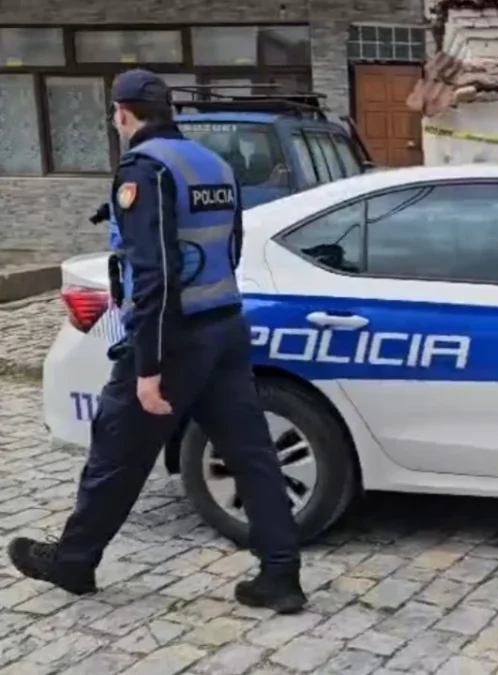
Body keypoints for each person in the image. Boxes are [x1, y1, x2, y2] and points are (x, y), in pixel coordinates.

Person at [7, 69, 306, 614]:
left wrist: (148, 367)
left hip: (175, 336)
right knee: (252, 455)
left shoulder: (145, 168)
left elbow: (155, 274)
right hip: (225, 325)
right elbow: (230, 249)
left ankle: (73, 562)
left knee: (116, 452)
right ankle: (281, 574)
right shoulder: (213, 164)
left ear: (122, 113)